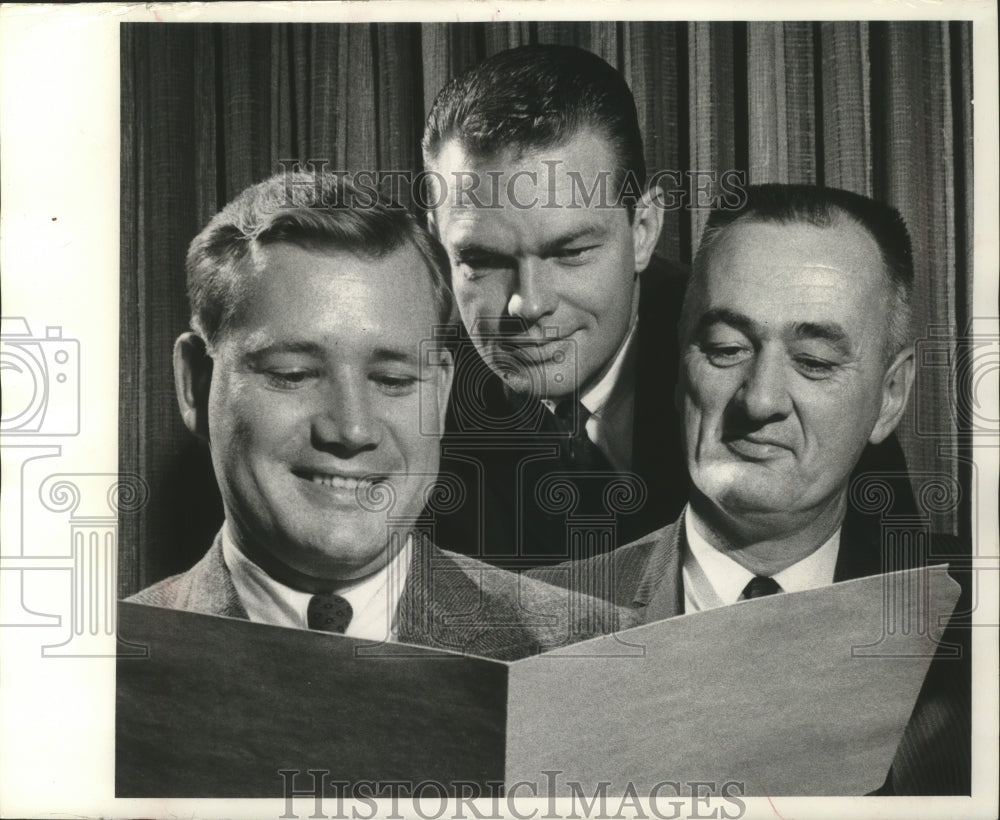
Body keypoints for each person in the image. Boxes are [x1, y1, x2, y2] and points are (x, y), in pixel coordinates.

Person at [529, 184, 971, 794]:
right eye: (726, 348)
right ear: (679, 360)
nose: (760, 399)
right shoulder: (535, 627)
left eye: (814, 360)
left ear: (890, 397)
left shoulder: (973, 632)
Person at [420, 44, 915, 569]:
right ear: (437, 242)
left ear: (643, 229)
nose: (528, 303)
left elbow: (886, 592)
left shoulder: (763, 355)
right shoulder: (410, 381)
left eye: (571, 252)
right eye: (481, 259)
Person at [127, 170, 633, 661]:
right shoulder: (92, 677)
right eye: (293, 373)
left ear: (441, 392)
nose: (352, 430)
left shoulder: (595, 654)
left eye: (392, 380)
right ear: (194, 384)